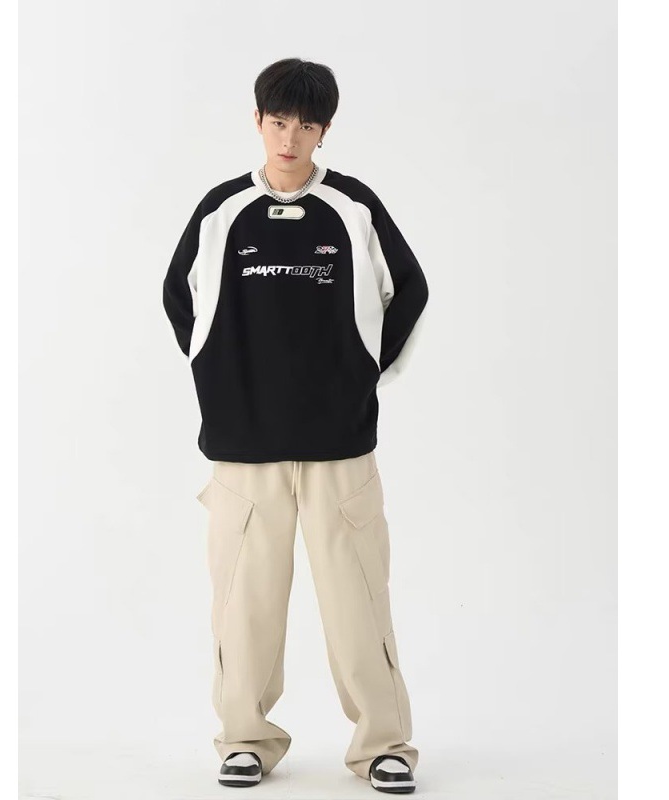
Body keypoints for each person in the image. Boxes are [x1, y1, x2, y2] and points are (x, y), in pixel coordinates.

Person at [162, 57, 428, 794]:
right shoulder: (222, 211)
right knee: (243, 605)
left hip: (340, 447)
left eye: (306, 126)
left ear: (324, 131)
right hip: (244, 451)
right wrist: (220, 375)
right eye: (278, 122)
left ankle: (383, 745)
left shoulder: (353, 207)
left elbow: (409, 289)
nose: (290, 139)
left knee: (358, 603)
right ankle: (244, 738)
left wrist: (363, 373)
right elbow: (179, 296)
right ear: (257, 120)